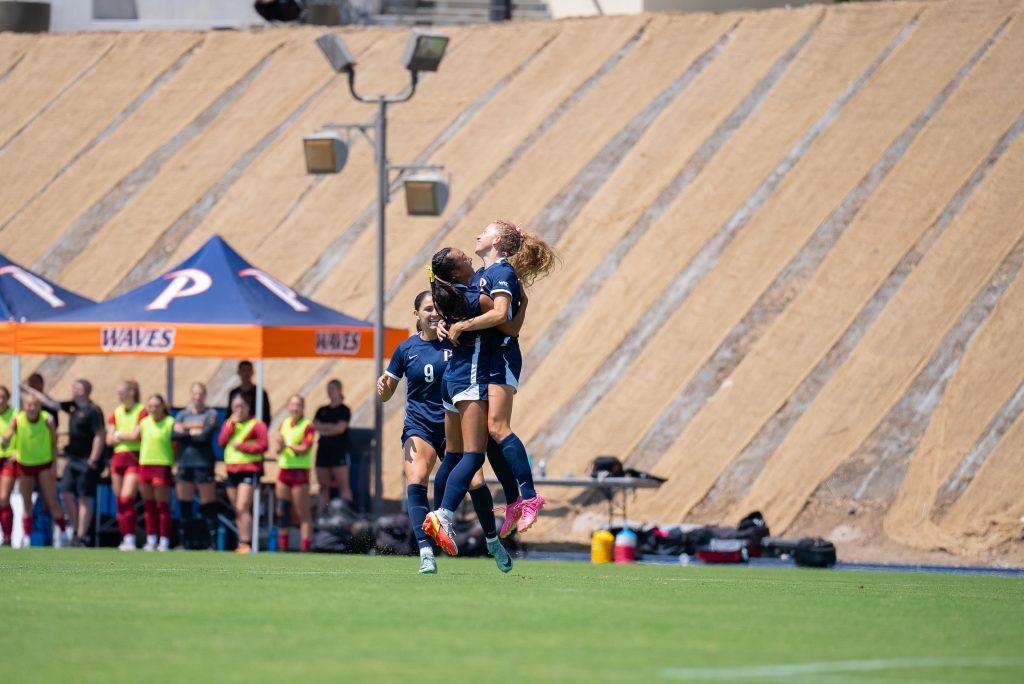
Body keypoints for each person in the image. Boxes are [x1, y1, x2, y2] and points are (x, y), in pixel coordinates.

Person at [378, 291, 512, 574]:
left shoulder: (456, 339)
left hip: (456, 424)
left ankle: (492, 540)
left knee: (475, 481)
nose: (433, 314)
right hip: (421, 426)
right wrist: (384, 387)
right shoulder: (406, 349)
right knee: (416, 478)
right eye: (427, 309)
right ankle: (426, 551)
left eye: (437, 308)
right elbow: (386, 395)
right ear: (416, 314)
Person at [419, 247, 525, 556]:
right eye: (462, 256)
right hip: (471, 378)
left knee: (457, 453)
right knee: (475, 455)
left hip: (451, 381)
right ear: (454, 272)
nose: (468, 256)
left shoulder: (446, 296)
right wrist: (522, 300)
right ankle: (443, 515)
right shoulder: (474, 297)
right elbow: (507, 322)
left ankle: (503, 516)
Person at [470, 219, 557, 536]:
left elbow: (506, 322)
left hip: (503, 354)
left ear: (497, 242)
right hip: (484, 358)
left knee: (498, 426)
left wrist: (462, 325)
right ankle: (514, 501)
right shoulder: (481, 275)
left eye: (485, 231)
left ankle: (530, 497)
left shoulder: (502, 272)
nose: (478, 234)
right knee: (488, 432)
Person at [23, 379, 105, 547]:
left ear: (87, 391)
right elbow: (49, 402)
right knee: (66, 494)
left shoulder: (93, 410)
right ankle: (76, 531)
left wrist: (93, 459)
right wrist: (30, 390)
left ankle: (82, 536)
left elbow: (99, 435)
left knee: (84, 497)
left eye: (78, 387)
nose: (74, 389)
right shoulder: (72, 406)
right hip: (73, 460)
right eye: (73, 386)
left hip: (87, 460)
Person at [1, 393, 69, 547]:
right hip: (25, 465)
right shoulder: (18, 420)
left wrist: (53, 464)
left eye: (35, 405)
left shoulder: (47, 420)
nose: (32, 408)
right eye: (28, 404)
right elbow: (8, 436)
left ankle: (64, 533)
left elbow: (54, 442)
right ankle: (26, 537)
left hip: (44, 464)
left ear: (39, 406)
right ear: (24, 406)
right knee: (26, 503)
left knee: (52, 501)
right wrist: (5, 442)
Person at [217, 395, 268, 553]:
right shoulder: (229, 423)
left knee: (242, 506)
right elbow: (221, 442)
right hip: (232, 470)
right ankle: (242, 542)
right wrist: (230, 425)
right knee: (236, 508)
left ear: (248, 407)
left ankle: (247, 543)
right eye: (235, 406)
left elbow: (263, 445)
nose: (238, 410)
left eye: (241, 406)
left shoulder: (257, 424)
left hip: (249, 469)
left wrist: (242, 446)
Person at [173, 382, 220, 549]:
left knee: (208, 503)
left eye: (200, 393)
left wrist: (184, 432)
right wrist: (193, 432)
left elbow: (205, 437)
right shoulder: (182, 414)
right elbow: (173, 435)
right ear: (191, 395)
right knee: (184, 504)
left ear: (205, 395)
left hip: (203, 463)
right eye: (195, 393)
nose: (197, 397)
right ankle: (183, 542)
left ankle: (212, 543)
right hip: (185, 463)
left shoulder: (211, 413)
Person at [107, 381, 146, 551]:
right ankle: (126, 536)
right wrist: (123, 435)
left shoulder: (141, 410)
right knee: (119, 502)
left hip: (133, 458)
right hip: (117, 459)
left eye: (122, 392)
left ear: (131, 392)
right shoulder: (116, 412)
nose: (119, 395)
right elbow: (109, 439)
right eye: (117, 392)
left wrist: (118, 434)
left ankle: (131, 537)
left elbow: (136, 436)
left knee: (126, 497)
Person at [273, 395, 315, 552]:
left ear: (303, 407)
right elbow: (279, 448)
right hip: (284, 470)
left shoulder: (307, 426)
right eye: (292, 404)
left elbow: (305, 448)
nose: (295, 408)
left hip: (300, 472)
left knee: (302, 511)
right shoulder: (284, 423)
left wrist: (288, 445)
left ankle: (305, 547)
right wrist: (280, 445)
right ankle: (282, 548)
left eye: (298, 405)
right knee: (282, 509)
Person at [138, 394, 175, 552]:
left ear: (163, 406)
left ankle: (164, 539)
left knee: (162, 505)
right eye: (150, 406)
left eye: (156, 406)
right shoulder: (144, 423)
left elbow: (175, 445)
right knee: (148, 505)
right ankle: (151, 538)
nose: (153, 409)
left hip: (162, 465)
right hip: (145, 464)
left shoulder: (170, 422)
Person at [313, 379, 352, 516]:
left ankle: (346, 516)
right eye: (328, 389)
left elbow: (340, 428)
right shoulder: (322, 410)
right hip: (323, 450)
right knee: (323, 486)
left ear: (340, 390)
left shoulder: (344, 410)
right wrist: (331, 428)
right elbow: (315, 425)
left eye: (333, 389)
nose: (330, 392)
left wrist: (325, 429)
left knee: (343, 486)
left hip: (338, 451)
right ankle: (321, 517)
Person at [0, 386, 16, 545]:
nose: (0, 400)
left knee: (3, 498)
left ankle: (7, 537)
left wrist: (17, 452)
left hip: (8, 461)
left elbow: (24, 436)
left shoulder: (15, 415)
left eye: (3, 396)